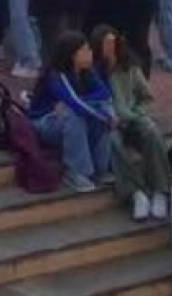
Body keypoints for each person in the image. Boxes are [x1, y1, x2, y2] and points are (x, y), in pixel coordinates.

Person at [91, 26, 172, 222]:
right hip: (108, 122)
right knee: (114, 142)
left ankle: (161, 189)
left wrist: (136, 113)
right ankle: (136, 193)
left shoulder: (130, 67)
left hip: (132, 117)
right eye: (105, 44)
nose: (110, 48)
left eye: (112, 43)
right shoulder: (93, 72)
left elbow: (145, 97)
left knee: (151, 132)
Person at [27, 32, 116, 194]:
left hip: (67, 116)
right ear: (72, 55)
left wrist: (102, 113)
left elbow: (105, 94)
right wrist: (104, 117)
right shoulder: (55, 75)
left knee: (100, 109)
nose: (90, 53)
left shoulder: (88, 72)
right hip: (43, 122)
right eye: (85, 50)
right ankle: (76, 171)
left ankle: (100, 169)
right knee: (75, 114)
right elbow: (73, 102)